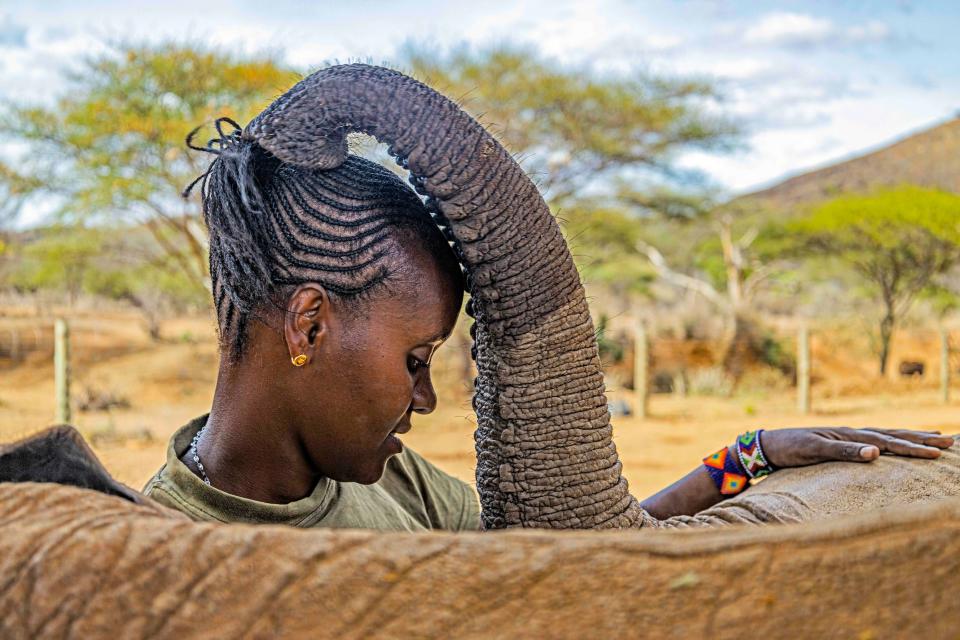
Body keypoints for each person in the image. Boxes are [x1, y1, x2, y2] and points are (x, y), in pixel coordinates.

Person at [143, 117, 953, 531]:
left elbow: (570, 550)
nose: (424, 401)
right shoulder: (159, 548)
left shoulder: (391, 480)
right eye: (417, 358)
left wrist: (751, 456)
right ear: (309, 327)